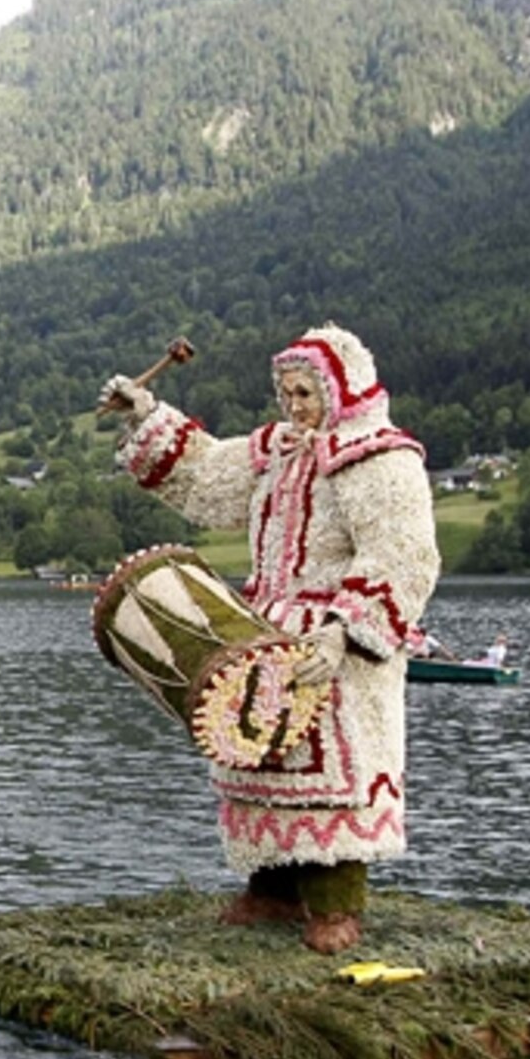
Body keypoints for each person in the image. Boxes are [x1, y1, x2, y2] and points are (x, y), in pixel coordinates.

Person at [101, 323, 442, 954]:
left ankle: (337, 903)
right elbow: (206, 476)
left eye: (305, 392)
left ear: (340, 388)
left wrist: (346, 634)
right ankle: (273, 888)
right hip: (266, 631)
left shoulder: (380, 458)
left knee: (338, 771)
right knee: (260, 754)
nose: (293, 405)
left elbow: (404, 552)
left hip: (338, 641)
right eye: (285, 392)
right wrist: (146, 413)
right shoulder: (278, 450)